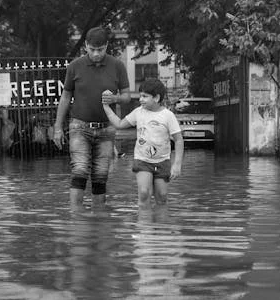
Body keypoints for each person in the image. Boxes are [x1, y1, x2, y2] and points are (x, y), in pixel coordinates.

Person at [53, 27, 130, 211]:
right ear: (85, 46)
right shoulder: (75, 66)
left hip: (106, 129)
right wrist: (57, 127)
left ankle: (99, 219)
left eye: (101, 49)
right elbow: (65, 97)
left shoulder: (117, 65)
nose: (96, 54)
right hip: (79, 126)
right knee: (79, 170)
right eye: (92, 49)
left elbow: (127, 96)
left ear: (107, 46)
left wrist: (116, 98)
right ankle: (76, 217)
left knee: (100, 175)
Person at [102, 78, 183, 213]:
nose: (141, 99)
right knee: (144, 193)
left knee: (162, 197)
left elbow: (179, 140)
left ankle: (161, 228)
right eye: (140, 96)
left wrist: (177, 164)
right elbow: (120, 124)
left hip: (163, 162)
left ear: (156, 98)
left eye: (145, 96)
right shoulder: (138, 112)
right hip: (142, 160)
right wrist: (106, 107)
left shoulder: (168, 116)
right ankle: (144, 229)